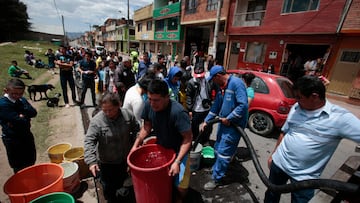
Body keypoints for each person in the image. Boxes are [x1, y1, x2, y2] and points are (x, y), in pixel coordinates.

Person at [264, 75, 360, 203]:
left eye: (300, 97)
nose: (296, 101)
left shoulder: (340, 118)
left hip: (304, 179)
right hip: (279, 165)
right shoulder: (296, 108)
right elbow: (284, 132)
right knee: (271, 195)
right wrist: (273, 155)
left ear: (315, 96)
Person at [130, 79, 193, 203]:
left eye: (156, 100)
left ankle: (178, 198)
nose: (152, 104)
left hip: (179, 151)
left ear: (167, 97)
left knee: (181, 186)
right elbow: (146, 127)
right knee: (163, 180)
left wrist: (177, 161)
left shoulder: (178, 113)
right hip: (162, 147)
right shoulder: (148, 105)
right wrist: (135, 145)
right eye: (150, 99)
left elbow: (188, 139)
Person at [84, 92, 140, 202]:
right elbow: (89, 141)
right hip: (107, 164)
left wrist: (136, 146)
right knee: (109, 191)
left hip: (125, 161)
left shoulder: (127, 115)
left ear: (118, 105)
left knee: (125, 187)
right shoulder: (97, 121)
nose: (108, 113)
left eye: (111, 110)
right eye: (104, 110)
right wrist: (92, 162)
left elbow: (137, 130)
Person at [200, 65, 248, 190]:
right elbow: (216, 106)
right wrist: (206, 121)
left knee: (223, 153)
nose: (212, 82)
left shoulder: (236, 84)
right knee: (217, 147)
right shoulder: (222, 87)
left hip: (233, 126)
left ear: (218, 76)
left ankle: (217, 179)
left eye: (213, 79)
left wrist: (230, 117)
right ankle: (217, 169)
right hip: (223, 123)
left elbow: (243, 106)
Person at [0, 78, 37, 173]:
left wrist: (22, 115)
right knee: (19, 166)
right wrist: (23, 116)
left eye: (20, 94)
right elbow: (20, 121)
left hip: (26, 135)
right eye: (14, 94)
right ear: (6, 90)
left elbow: (33, 112)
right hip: (13, 139)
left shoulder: (21, 100)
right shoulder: (3, 104)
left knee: (31, 160)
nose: (17, 96)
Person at [186, 63, 215, 145]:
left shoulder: (208, 80)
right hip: (196, 109)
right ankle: (195, 140)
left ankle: (205, 140)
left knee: (208, 126)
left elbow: (212, 92)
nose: (199, 78)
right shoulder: (191, 82)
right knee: (194, 126)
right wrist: (189, 110)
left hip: (206, 108)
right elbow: (189, 96)